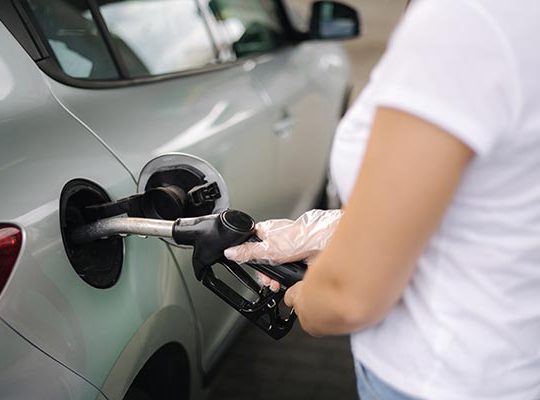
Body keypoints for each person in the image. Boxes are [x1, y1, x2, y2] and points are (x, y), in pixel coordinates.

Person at [224, 0, 540, 398]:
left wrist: (304, 294)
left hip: (432, 378)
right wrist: (340, 230)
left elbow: (348, 298)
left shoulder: (463, 20)